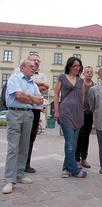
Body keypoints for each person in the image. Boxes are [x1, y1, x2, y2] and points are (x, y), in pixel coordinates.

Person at [2, 59, 44, 194]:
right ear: (22, 68)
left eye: (35, 67)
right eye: (30, 66)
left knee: (24, 145)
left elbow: (40, 100)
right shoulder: (14, 78)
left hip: (28, 114)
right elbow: (18, 95)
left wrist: (27, 97)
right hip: (14, 112)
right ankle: (9, 179)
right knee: (13, 147)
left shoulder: (33, 84)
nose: (34, 68)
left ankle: (19, 174)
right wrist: (31, 98)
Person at [54, 57, 87, 178]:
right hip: (65, 112)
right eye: (75, 65)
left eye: (79, 66)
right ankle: (74, 170)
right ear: (69, 66)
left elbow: (82, 98)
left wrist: (80, 111)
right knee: (70, 141)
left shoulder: (81, 80)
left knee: (74, 142)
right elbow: (56, 93)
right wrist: (57, 110)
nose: (77, 68)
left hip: (78, 114)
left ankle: (65, 168)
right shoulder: (62, 77)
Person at [25, 54, 49, 173]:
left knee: (31, 137)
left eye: (38, 61)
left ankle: (27, 163)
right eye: (34, 60)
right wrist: (37, 85)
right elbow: (22, 86)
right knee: (21, 138)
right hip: (25, 108)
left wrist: (30, 84)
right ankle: (18, 163)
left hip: (36, 109)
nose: (36, 62)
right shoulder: (19, 71)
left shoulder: (43, 75)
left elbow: (46, 87)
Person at [75, 66, 96, 169]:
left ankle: (84, 158)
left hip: (90, 114)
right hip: (80, 113)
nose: (89, 73)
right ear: (83, 74)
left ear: (93, 74)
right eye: (87, 72)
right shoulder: (79, 84)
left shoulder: (95, 86)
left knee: (86, 136)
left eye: (91, 72)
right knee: (80, 135)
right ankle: (77, 159)